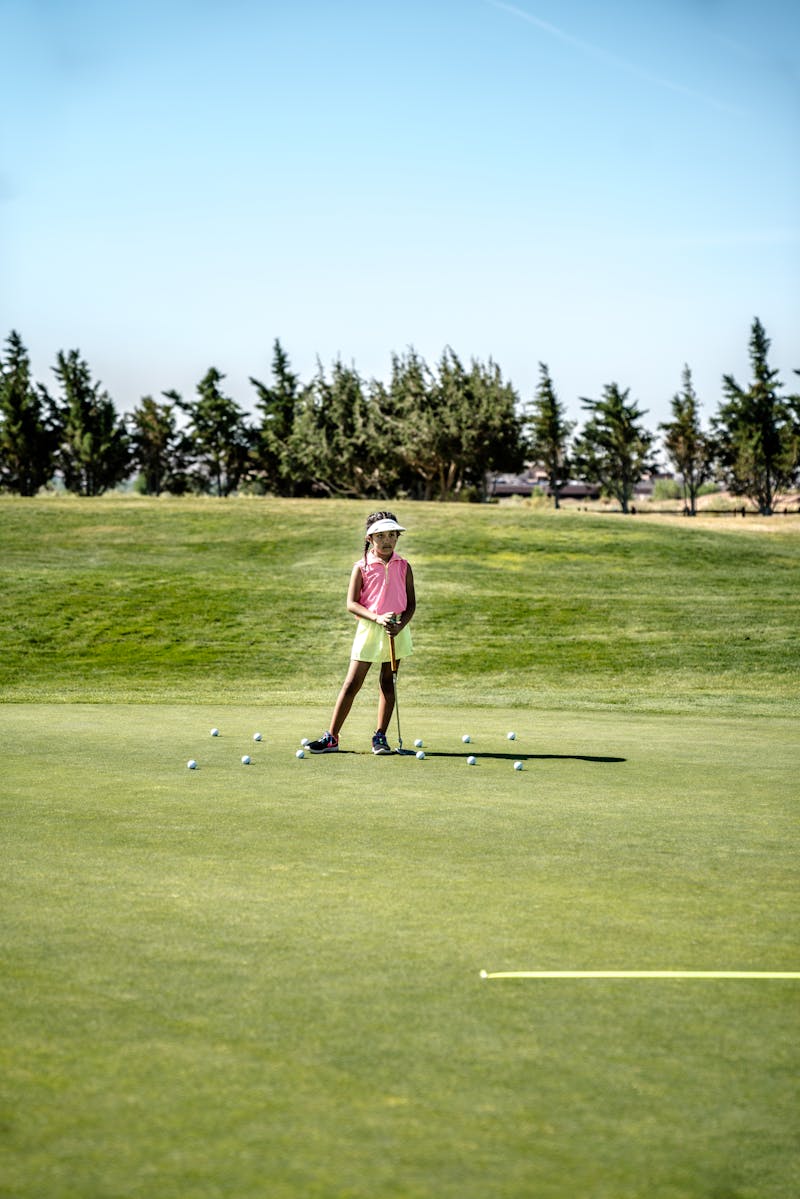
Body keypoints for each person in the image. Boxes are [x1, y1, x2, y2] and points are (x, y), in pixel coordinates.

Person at [307, 510, 416, 755]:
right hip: (370, 627)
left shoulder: (404, 566)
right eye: (380, 536)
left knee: (388, 683)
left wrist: (400, 626)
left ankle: (380, 737)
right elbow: (352, 603)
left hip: (396, 630)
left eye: (392, 535)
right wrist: (377, 617)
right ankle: (331, 737)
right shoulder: (362, 566)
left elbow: (411, 604)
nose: (387, 541)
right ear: (369, 538)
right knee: (351, 683)